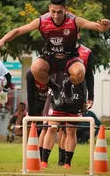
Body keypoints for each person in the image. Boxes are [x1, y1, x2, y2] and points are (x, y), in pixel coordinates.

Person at [0, 0, 110, 106]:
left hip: (69, 57)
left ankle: (68, 85)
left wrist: (105, 25)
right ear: (49, 8)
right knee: (35, 68)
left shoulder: (74, 21)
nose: (56, 16)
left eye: (59, 12)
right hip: (50, 57)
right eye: (53, 12)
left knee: (80, 72)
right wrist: (3, 40)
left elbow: (99, 27)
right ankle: (54, 88)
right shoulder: (42, 21)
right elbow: (18, 30)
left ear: (65, 9)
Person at [41, 40, 95, 169]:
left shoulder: (86, 52)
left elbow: (89, 75)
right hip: (57, 91)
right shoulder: (54, 49)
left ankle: (67, 163)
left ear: (77, 34)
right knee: (52, 127)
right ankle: (44, 161)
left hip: (77, 94)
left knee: (71, 130)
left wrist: (91, 97)